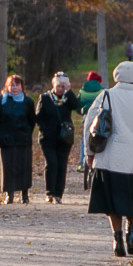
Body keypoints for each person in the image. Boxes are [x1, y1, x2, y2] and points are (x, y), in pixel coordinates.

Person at [84, 61, 133, 257]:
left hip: (108, 158)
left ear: (116, 76)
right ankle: (131, 234)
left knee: (112, 202)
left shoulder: (106, 95)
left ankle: (117, 239)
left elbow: (90, 124)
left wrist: (89, 152)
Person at [35, 74, 84, 203]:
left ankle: (58, 194)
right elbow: (38, 117)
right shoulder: (45, 98)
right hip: (48, 138)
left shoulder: (67, 98)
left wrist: (69, 91)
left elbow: (77, 107)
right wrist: (44, 129)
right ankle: (49, 192)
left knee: (62, 165)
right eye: (58, 86)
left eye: (63, 86)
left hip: (64, 138)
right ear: (53, 85)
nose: (60, 89)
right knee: (52, 163)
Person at [0, 75, 37, 204]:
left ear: (21, 87)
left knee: (24, 167)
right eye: (12, 85)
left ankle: (24, 195)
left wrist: (27, 132)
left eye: (17, 85)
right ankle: (9, 195)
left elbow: (32, 120)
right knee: (8, 167)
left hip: (23, 140)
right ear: (7, 86)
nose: (14, 88)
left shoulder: (28, 102)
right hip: (6, 139)